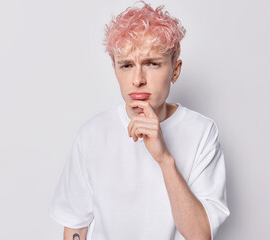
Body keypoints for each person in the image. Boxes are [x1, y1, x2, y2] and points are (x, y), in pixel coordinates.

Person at [49, 1, 230, 240]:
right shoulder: (93, 134)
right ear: (115, 71)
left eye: (152, 63)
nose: (137, 79)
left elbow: (201, 235)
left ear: (175, 70)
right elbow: (75, 226)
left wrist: (164, 159)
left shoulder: (201, 132)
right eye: (126, 65)